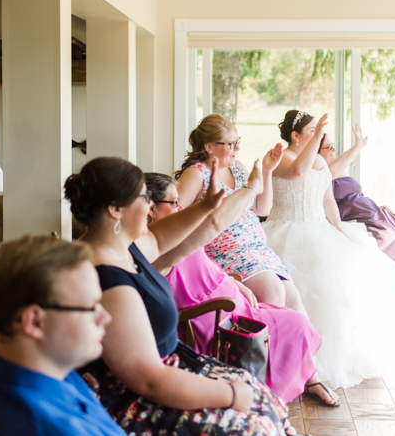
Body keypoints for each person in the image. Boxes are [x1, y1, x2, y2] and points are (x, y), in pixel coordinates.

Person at [64, 157, 300, 436]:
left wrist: (208, 203)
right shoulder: (109, 282)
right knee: (257, 423)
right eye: (143, 198)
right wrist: (231, 395)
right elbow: (148, 380)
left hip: (170, 368)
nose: (150, 206)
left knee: (266, 402)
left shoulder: (124, 246)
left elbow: (187, 234)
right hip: (136, 398)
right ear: (115, 209)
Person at [263, 110, 395, 390]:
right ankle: (293, 359)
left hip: (319, 229)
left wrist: (338, 228)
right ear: (295, 135)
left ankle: (333, 357)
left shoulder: (318, 160)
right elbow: (298, 172)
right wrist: (318, 138)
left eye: (319, 130)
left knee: (346, 286)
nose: (319, 134)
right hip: (287, 229)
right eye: (312, 130)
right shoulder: (283, 158)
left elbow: (327, 198)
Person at [145, 171, 338, 406]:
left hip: (232, 299)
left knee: (292, 308)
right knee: (296, 325)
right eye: (173, 203)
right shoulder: (157, 244)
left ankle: (301, 383)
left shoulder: (175, 232)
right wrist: (251, 188)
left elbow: (204, 266)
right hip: (214, 317)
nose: (180, 207)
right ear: (150, 208)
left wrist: (233, 282)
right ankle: (262, 397)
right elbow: (214, 224)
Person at [0, 235, 125, 436]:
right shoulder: (40, 424)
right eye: (90, 307)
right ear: (35, 322)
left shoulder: (60, 375)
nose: (105, 317)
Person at [176, 114, 306, 315]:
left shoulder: (238, 169)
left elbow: (261, 210)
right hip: (223, 255)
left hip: (257, 251)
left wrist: (267, 170)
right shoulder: (196, 174)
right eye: (231, 144)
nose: (237, 149)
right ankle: (262, 344)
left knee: (294, 302)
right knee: (272, 293)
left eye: (237, 142)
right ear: (209, 147)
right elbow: (174, 219)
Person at [319, 126, 395, 299]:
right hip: (356, 219)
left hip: (374, 212)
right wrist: (357, 146)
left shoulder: (335, 165)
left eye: (333, 145)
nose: (333, 150)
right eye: (328, 147)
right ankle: (391, 290)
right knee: (394, 238)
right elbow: (330, 183)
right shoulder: (321, 171)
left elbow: (353, 192)